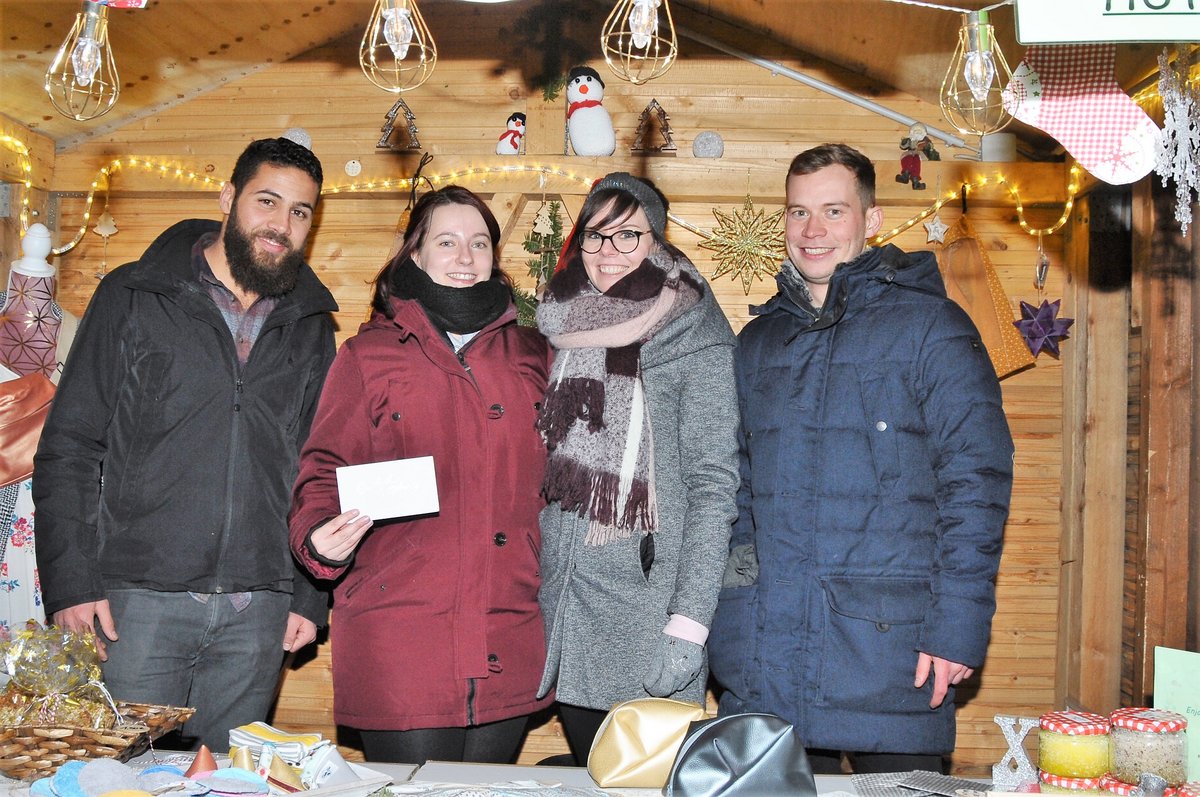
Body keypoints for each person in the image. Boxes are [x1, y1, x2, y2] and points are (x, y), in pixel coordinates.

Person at [708, 143, 1014, 773]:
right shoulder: (758, 342)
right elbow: (735, 496)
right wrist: (733, 622)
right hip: (770, 661)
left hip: (894, 655)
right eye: (798, 213)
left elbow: (976, 482)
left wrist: (957, 626)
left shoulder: (934, 329)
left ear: (870, 222)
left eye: (833, 211)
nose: (812, 232)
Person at [33, 136, 336, 751]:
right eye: (267, 202)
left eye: (300, 212)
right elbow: (69, 448)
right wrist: (72, 584)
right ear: (228, 198)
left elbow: (319, 466)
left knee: (225, 785)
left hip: (259, 613)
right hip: (134, 606)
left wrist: (308, 593)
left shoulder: (309, 325)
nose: (281, 225)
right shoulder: (133, 295)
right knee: (112, 782)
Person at [289, 186, 552, 765]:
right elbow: (322, 472)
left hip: (507, 633)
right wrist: (318, 537)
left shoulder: (535, 356)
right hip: (400, 639)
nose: (465, 257)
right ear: (415, 255)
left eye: (479, 243)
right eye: (448, 242)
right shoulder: (367, 357)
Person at [535, 172, 739, 764]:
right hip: (572, 603)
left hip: (649, 610)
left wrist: (689, 625)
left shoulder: (695, 335)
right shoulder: (565, 325)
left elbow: (712, 487)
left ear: (657, 241)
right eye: (596, 236)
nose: (607, 252)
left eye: (627, 236)